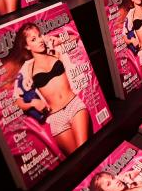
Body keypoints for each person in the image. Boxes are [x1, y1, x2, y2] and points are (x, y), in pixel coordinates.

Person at [9, 22, 91, 155]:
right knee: (77, 159)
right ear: (26, 46)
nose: (39, 40)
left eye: (39, 35)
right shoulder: (27, 68)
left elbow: (75, 38)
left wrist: (59, 40)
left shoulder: (55, 52)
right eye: (33, 39)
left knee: (84, 151)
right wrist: (34, 103)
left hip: (74, 106)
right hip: (55, 117)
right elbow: (16, 102)